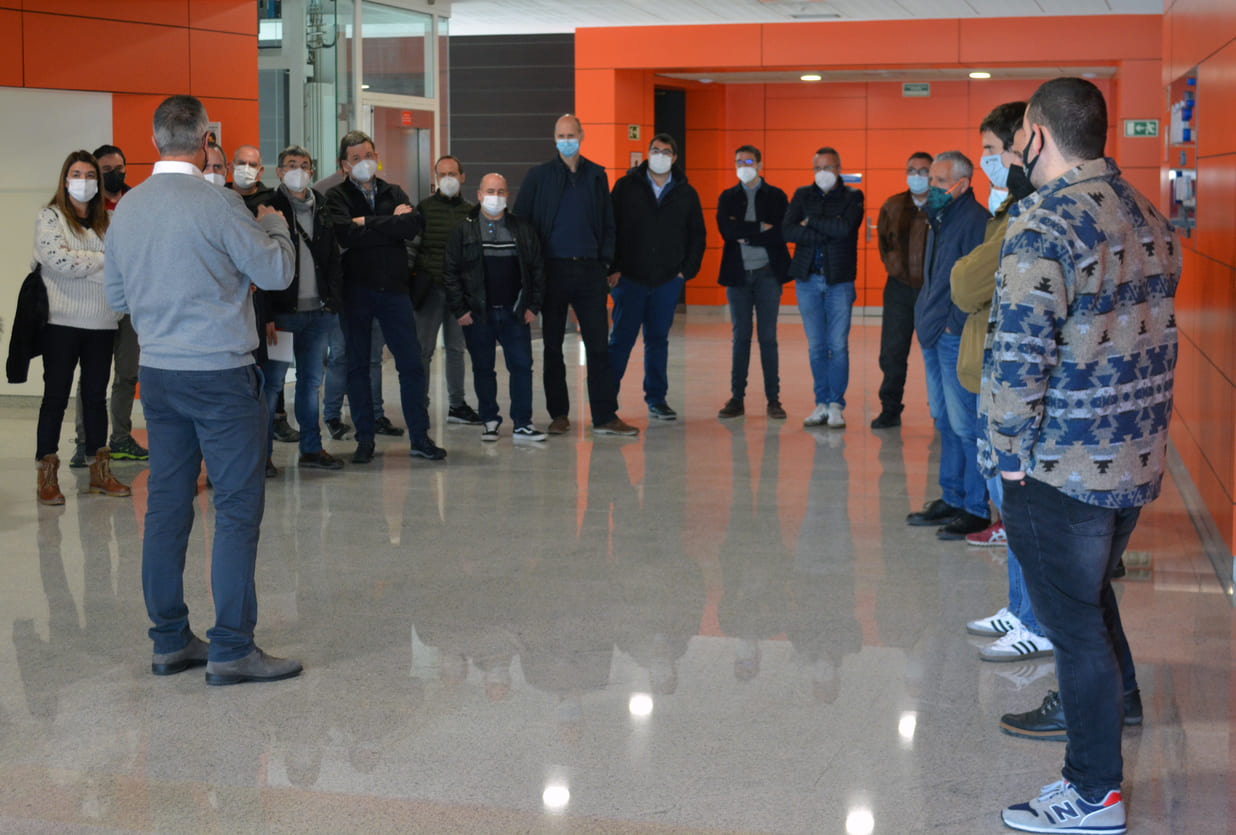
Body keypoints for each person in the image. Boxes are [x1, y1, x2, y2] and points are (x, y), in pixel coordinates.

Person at [983, 78, 1178, 834]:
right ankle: (1120, 699)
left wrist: (1005, 461)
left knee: (1072, 627)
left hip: (1059, 469)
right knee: (1091, 598)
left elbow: (1018, 362)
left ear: (1034, 132)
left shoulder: (1044, 225)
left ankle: (1093, 790)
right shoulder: (1148, 213)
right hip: (1132, 460)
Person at [104, 94, 302, 684]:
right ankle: (233, 646)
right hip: (219, 373)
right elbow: (277, 272)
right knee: (237, 508)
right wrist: (274, 228)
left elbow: (117, 301)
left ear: (155, 137)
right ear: (207, 139)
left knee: (166, 505)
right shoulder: (220, 205)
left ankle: (169, 641)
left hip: (159, 376)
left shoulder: (129, 209)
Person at [949, 103, 1053, 665]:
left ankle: (1035, 621)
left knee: (1019, 513)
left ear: (1023, 148)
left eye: (994, 151)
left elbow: (966, 284)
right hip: (993, 378)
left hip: (1012, 385)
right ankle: (1019, 609)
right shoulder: (1008, 208)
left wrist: (965, 269)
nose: (989, 162)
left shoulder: (1026, 214)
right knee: (1008, 511)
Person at [324, 130, 445, 463]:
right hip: (356, 291)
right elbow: (344, 232)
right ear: (344, 165)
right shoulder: (336, 197)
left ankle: (420, 438)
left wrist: (368, 223)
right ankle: (365, 440)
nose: (365, 163)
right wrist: (388, 223)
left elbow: (411, 227)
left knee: (411, 365)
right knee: (358, 367)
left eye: (369, 155)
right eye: (356, 158)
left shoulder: (393, 190)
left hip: (394, 292)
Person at [513, 113, 637, 437]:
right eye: (560, 135)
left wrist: (606, 263)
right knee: (552, 346)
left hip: (589, 272)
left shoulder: (597, 176)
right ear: (554, 139)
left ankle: (605, 415)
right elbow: (521, 223)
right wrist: (531, 268)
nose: (566, 140)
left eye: (571, 134)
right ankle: (559, 415)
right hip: (551, 272)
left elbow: (609, 224)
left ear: (582, 136)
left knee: (598, 346)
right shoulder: (538, 176)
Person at [32, 150, 130, 505]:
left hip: (102, 323)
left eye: (91, 175)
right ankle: (47, 475)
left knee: (95, 398)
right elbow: (56, 260)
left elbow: (122, 266)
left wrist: (87, 263)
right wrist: (101, 263)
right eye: (77, 174)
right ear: (64, 178)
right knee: (55, 398)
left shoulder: (110, 223)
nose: (84, 181)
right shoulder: (51, 217)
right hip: (61, 323)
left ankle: (98, 472)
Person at [905, 150, 991, 540]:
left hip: (952, 336)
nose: (932, 187)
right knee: (944, 423)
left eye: (940, 182)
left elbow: (977, 282)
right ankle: (952, 497)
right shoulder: (938, 218)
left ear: (962, 184)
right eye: (932, 180)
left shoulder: (976, 221)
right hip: (932, 331)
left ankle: (975, 508)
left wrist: (953, 325)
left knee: (966, 425)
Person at [607, 133, 706, 421]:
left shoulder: (686, 193)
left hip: (666, 281)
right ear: (647, 153)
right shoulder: (626, 187)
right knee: (621, 340)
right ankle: (606, 399)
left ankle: (657, 398)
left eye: (666, 151)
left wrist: (684, 273)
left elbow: (697, 236)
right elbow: (610, 228)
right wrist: (612, 268)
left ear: (674, 158)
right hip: (629, 280)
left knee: (657, 340)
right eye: (655, 150)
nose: (660, 155)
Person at [443, 173, 547, 442]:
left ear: (507, 196)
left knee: (522, 367)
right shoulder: (463, 229)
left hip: (515, 313)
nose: (495, 197)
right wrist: (460, 309)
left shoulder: (522, 229)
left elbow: (537, 270)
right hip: (478, 314)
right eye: (491, 191)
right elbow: (451, 272)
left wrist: (533, 306)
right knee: (483, 368)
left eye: (501, 192)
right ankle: (489, 420)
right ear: (479, 195)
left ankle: (523, 423)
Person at [260, 144, 345, 471]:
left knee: (311, 385)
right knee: (272, 387)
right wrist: (265, 314)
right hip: (281, 316)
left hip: (318, 315)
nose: (299, 170)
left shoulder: (322, 206)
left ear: (312, 171)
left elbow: (334, 260)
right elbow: (262, 264)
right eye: (291, 164)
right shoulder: (268, 207)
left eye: (305, 165)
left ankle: (312, 448)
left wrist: (332, 303)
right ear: (279, 171)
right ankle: (263, 456)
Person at [69, 143, 146, 466]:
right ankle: (85, 442)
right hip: (96, 304)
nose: (115, 175)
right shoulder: (86, 207)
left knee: (127, 374)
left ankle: (121, 438)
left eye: (120, 168)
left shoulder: (137, 201)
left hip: (131, 304)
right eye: (107, 170)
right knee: (92, 376)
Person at [782, 146, 864, 429]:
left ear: (839, 169)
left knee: (837, 345)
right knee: (817, 346)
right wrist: (825, 228)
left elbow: (845, 230)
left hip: (839, 280)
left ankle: (836, 404)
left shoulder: (853, 196)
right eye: (817, 168)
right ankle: (820, 403)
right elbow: (787, 229)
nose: (822, 173)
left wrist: (812, 222)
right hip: (806, 279)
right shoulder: (801, 195)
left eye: (828, 167)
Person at [715, 144, 791, 420]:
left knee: (768, 337)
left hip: (768, 274)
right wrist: (760, 228)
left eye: (748, 160)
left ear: (760, 164)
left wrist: (744, 233)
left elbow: (781, 233)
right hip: (737, 275)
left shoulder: (777, 196)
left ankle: (774, 399)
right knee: (741, 337)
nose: (743, 165)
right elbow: (726, 230)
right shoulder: (727, 197)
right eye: (738, 161)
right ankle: (737, 398)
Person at [412, 154, 482, 425]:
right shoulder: (424, 208)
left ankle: (457, 405)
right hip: (429, 290)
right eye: (443, 175)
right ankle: (420, 403)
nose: (448, 179)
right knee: (423, 351)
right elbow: (414, 248)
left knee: (456, 349)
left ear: (462, 177)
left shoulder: (470, 212)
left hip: (459, 294)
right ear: (435, 179)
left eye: (453, 174)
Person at [871, 151, 932, 429]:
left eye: (923, 170)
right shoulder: (893, 205)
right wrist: (895, 268)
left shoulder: (943, 206)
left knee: (936, 351)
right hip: (898, 290)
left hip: (933, 291)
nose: (916, 176)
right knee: (893, 352)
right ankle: (890, 408)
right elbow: (884, 242)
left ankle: (940, 411)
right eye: (912, 170)